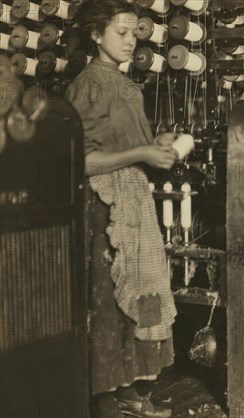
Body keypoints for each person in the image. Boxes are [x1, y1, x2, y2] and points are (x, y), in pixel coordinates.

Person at [64, 1, 177, 416]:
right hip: (104, 209)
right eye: (121, 33)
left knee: (147, 293)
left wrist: (156, 147)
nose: (131, 41)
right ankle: (106, 398)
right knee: (111, 303)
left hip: (135, 201)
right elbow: (83, 161)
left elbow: (129, 147)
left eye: (135, 33)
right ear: (96, 35)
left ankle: (135, 391)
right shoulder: (89, 84)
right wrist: (141, 151)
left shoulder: (126, 85)